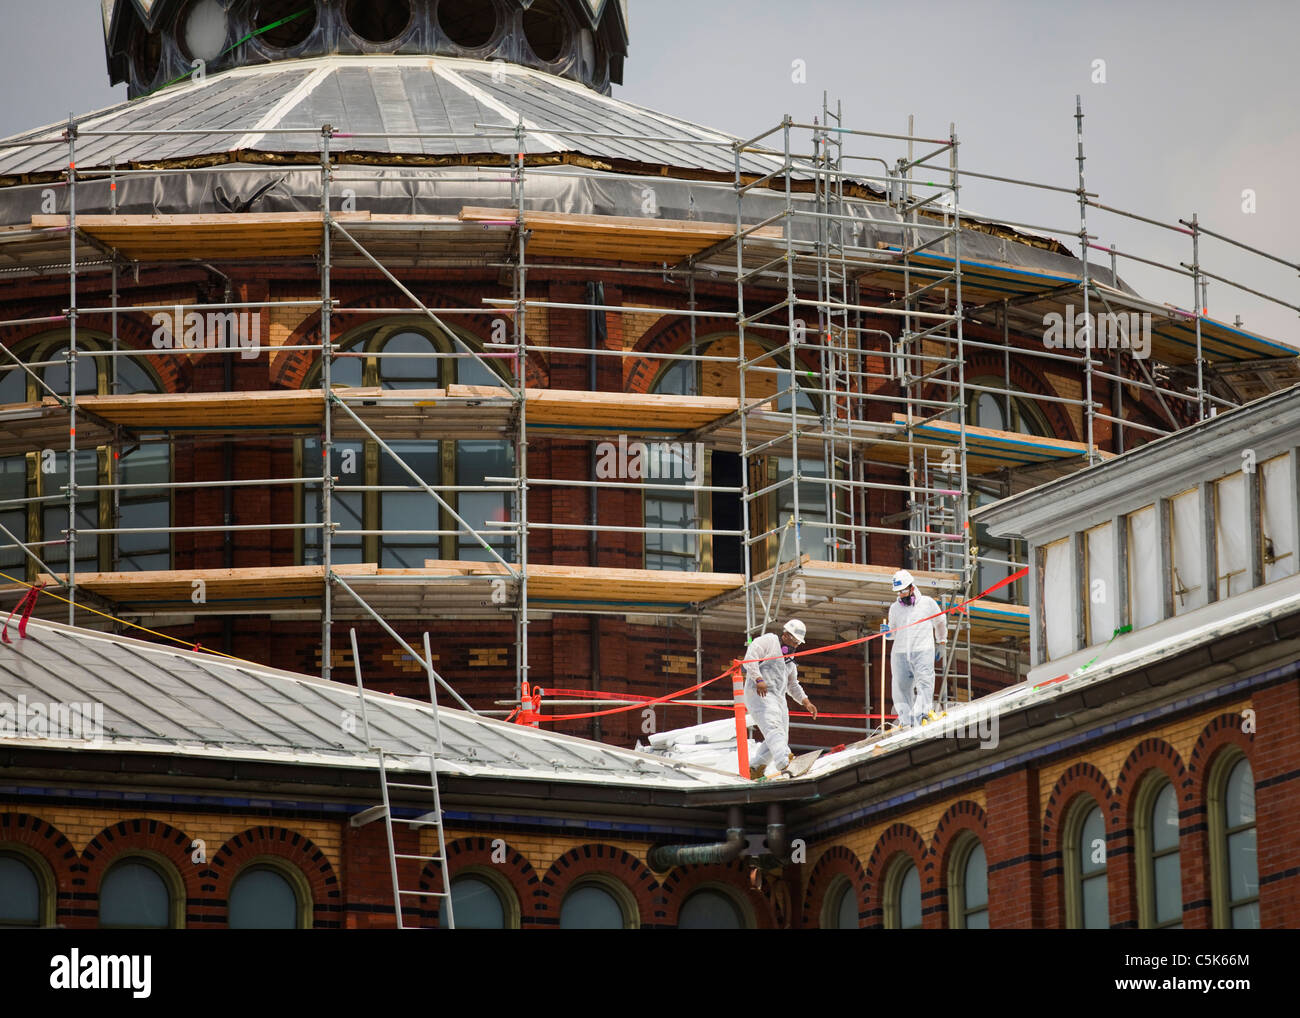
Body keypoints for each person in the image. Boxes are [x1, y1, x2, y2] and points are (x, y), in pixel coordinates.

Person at [741, 618, 819, 780]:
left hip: (778, 696)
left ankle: (755, 767)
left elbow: (793, 685)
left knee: (781, 734)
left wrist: (806, 701)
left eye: (799, 643)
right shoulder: (768, 641)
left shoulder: (789, 661)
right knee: (773, 727)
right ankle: (785, 762)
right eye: (795, 641)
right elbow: (750, 658)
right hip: (759, 693)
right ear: (786, 635)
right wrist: (758, 679)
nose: (796, 646)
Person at [885, 569, 947, 729]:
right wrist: (887, 633)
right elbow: (892, 633)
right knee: (900, 686)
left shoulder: (927, 603)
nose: (901, 595)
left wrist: (941, 642)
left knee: (924, 682)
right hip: (900, 653)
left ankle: (922, 715)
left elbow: (940, 622)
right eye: (898, 592)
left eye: (903, 591)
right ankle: (906, 721)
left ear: (912, 587)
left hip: (922, 649)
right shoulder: (894, 608)